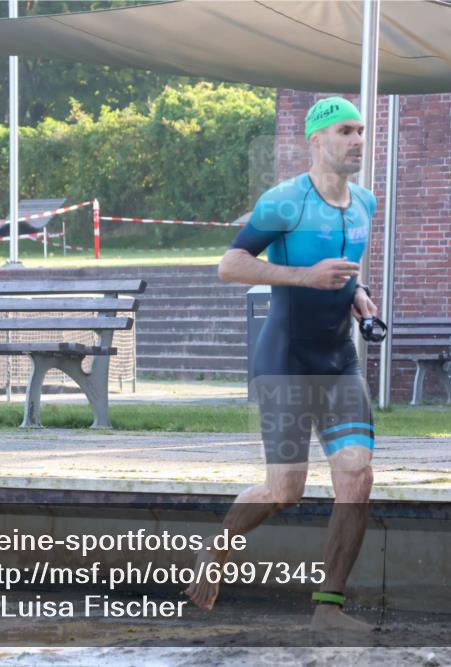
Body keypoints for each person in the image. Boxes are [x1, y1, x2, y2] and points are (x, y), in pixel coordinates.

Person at [184, 97, 378, 632]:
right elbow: (231, 265)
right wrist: (305, 277)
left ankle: (328, 610)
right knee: (284, 491)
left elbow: (345, 271)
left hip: (339, 360)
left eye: (361, 130)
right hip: (286, 359)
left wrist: (358, 294)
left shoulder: (365, 202)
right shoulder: (284, 201)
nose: (357, 140)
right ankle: (217, 547)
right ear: (317, 140)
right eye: (345, 131)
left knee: (357, 478)